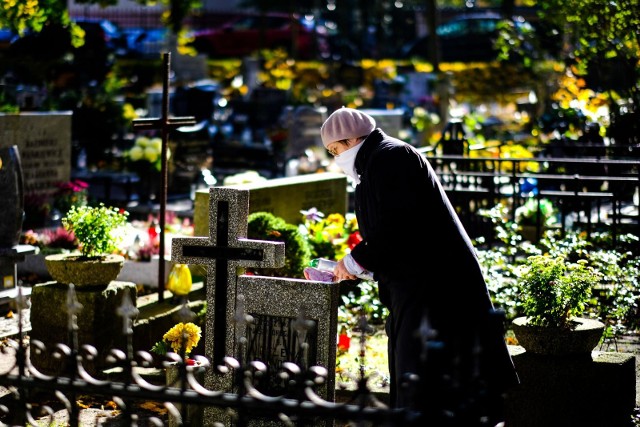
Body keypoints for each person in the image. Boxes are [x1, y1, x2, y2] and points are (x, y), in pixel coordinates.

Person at [320, 107, 520, 424]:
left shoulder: (391, 157)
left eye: (336, 149)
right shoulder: (373, 164)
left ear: (354, 138)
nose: (336, 158)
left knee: (431, 375)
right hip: (417, 285)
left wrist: (355, 259)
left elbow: (399, 225)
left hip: (435, 286)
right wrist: (361, 267)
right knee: (418, 374)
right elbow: (396, 237)